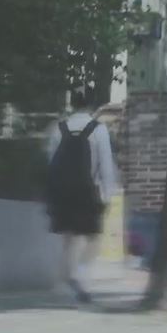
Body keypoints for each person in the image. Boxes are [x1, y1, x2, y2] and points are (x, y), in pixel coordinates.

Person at [45, 89, 119, 304]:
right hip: (88, 191)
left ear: (73, 105)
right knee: (93, 238)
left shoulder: (59, 129)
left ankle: (62, 285)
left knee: (68, 240)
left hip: (63, 193)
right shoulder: (98, 129)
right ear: (91, 106)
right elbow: (105, 165)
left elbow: (51, 162)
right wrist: (108, 194)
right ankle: (80, 277)